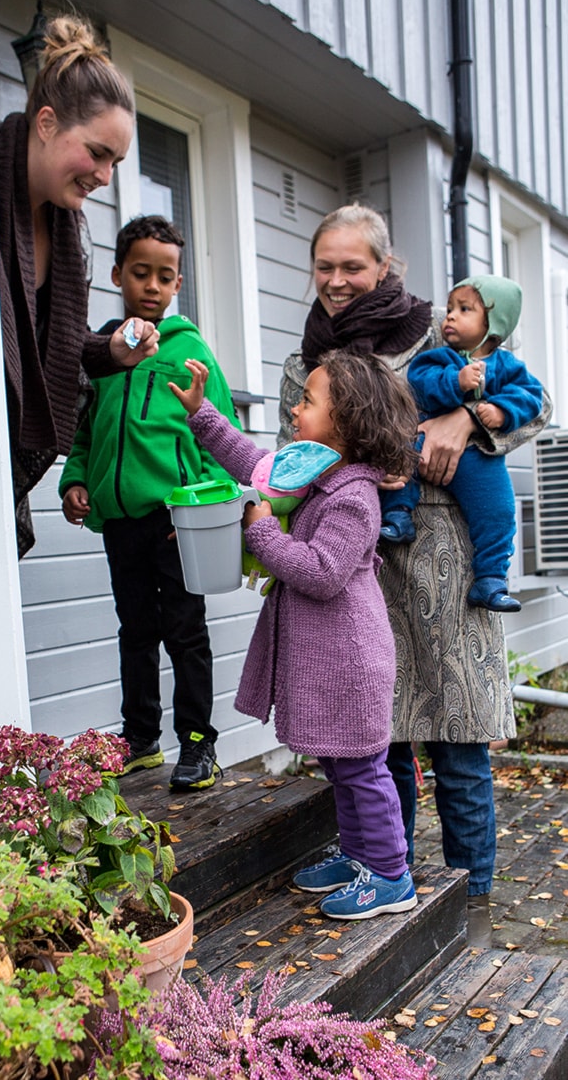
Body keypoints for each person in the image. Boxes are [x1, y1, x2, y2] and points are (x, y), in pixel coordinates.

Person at [277, 204, 552, 945]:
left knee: (457, 737)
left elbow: (536, 402)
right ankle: (380, 866)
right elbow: (292, 454)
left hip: (448, 561)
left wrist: (468, 421)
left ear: (385, 267)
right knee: (378, 734)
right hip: (358, 569)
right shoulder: (303, 358)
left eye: (352, 266)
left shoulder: (443, 327)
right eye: (323, 267)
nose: (336, 282)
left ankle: (473, 898)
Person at [171, 350, 422, 919]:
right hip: (330, 658)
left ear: (348, 422)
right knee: (340, 764)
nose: (294, 406)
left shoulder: (353, 498)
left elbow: (321, 572)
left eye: (308, 401)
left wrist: (261, 534)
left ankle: (391, 876)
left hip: (352, 661)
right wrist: (202, 414)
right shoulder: (316, 475)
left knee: (361, 766)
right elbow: (255, 463)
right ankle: (361, 856)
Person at [59, 215, 239, 789]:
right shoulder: (106, 355)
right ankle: (139, 738)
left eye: (166, 276)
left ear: (178, 283)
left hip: (175, 521)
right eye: (141, 273)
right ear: (117, 274)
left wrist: (202, 515)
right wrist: (75, 480)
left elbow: (219, 435)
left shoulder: (190, 352)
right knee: (134, 629)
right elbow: (85, 432)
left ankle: (197, 743)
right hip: (121, 522)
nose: (153, 286)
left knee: (185, 631)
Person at [0, 13, 159, 558]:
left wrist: (109, 349)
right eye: (97, 152)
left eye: (117, 161)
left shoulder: (65, 222)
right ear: (45, 123)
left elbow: (52, 344)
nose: (106, 176)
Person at [380, 275, 544, 613]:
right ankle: (398, 515)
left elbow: (532, 398)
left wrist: (501, 410)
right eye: (451, 308)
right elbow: (419, 386)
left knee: (499, 509)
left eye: (464, 309)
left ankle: (491, 580)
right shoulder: (437, 358)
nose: (450, 316)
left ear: (493, 324)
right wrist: (455, 382)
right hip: (423, 437)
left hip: (477, 455)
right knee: (398, 457)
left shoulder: (508, 367)